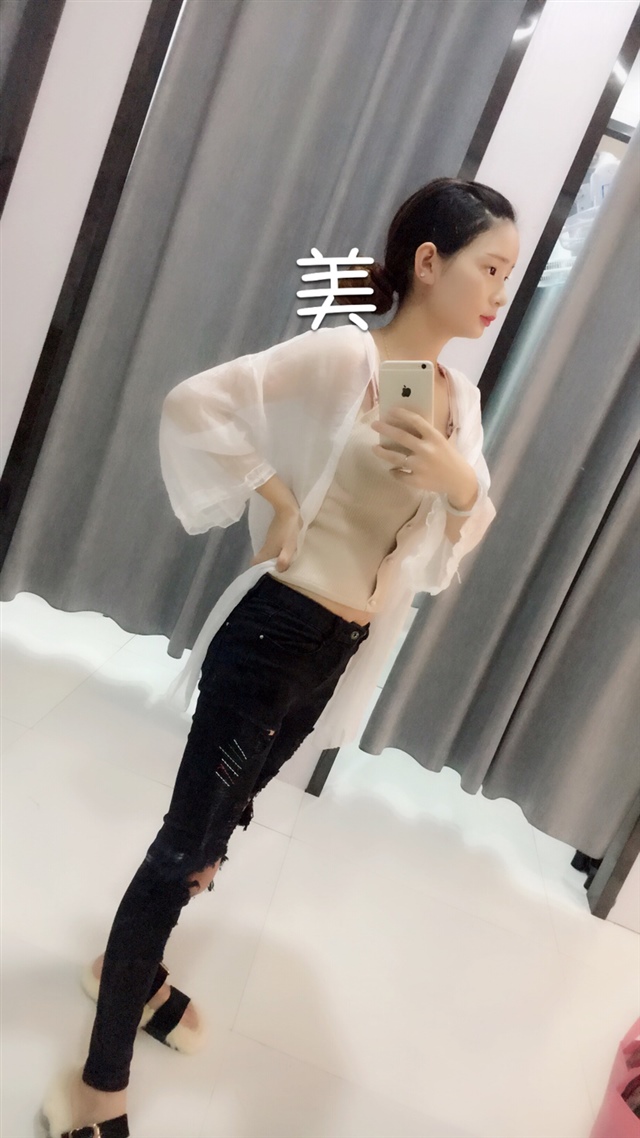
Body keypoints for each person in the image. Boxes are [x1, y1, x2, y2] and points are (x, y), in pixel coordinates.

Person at [40, 176, 518, 1138]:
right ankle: (96, 1087)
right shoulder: (344, 355)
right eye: (490, 269)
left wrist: (458, 480)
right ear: (429, 263)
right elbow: (199, 403)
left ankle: (128, 971)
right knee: (183, 848)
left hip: (337, 647)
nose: (500, 293)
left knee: (221, 832)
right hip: (273, 635)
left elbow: (460, 534)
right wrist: (279, 496)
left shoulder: (457, 401)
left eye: (510, 275)